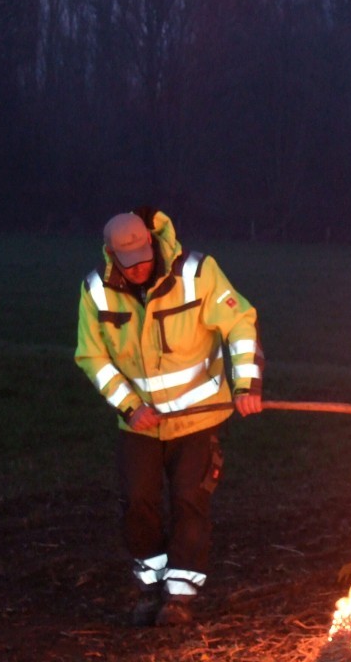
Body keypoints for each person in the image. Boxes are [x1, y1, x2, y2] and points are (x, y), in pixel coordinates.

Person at [75, 207, 263, 627]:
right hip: (139, 425)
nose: (140, 269)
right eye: (129, 264)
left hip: (197, 421)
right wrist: (130, 406)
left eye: (144, 258)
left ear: (152, 244)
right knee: (137, 503)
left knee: (189, 501)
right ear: (110, 255)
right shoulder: (96, 291)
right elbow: (93, 357)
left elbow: (240, 325)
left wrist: (247, 385)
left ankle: (179, 598)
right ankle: (150, 586)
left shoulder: (198, 273)